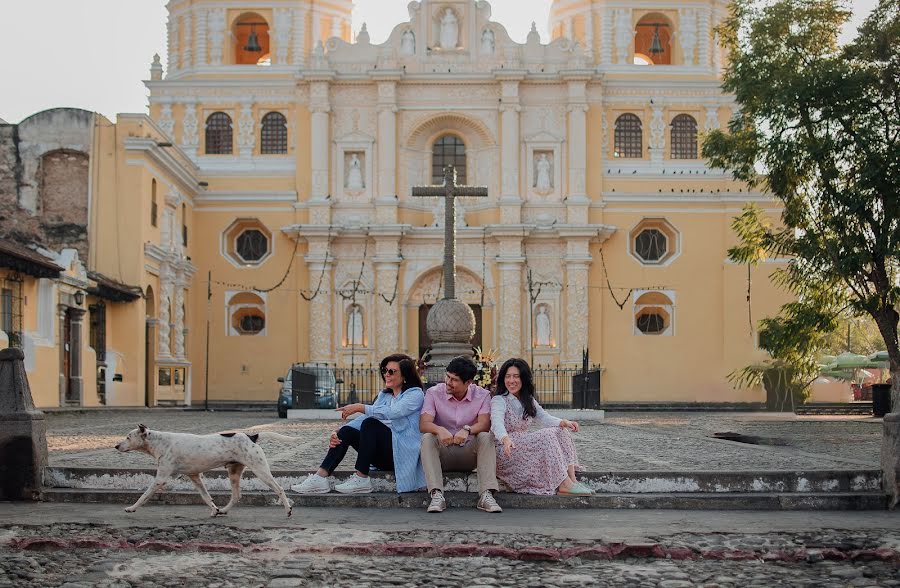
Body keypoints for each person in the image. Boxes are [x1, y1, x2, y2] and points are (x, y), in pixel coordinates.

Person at [291, 354, 426, 494]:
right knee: (347, 431)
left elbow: (393, 412)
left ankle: (361, 478)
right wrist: (338, 433)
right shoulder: (384, 396)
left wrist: (360, 407)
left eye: (391, 371)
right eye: (384, 370)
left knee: (371, 423)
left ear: (405, 375)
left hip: (400, 454)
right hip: (382, 455)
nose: (386, 374)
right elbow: (365, 418)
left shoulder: (415, 394)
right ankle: (320, 477)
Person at [491, 358, 592, 496]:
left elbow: (544, 417)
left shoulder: (528, 400)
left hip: (522, 445)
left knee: (560, 431)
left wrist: (564, 422)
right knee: (547, 435)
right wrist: (505, 439)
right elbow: (497, 423)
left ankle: (572, 481)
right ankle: (564, 484)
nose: (511, 380)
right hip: (506, 450)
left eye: (516, 376)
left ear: (524, 378)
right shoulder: (499, 400)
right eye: (508, 376)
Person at [419, 356, 502, 513]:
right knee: (428, 438)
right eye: (448, 376)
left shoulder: (482, 395)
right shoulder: (433, 393)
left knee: (486, 436)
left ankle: (486, 495)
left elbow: (485, 424)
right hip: (443, 453)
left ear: (468, 382)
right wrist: (439, 429)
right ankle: (436, 495)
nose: (448, 382)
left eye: (454, 380)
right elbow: (424, 424)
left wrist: (467, 429)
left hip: (469, 455)